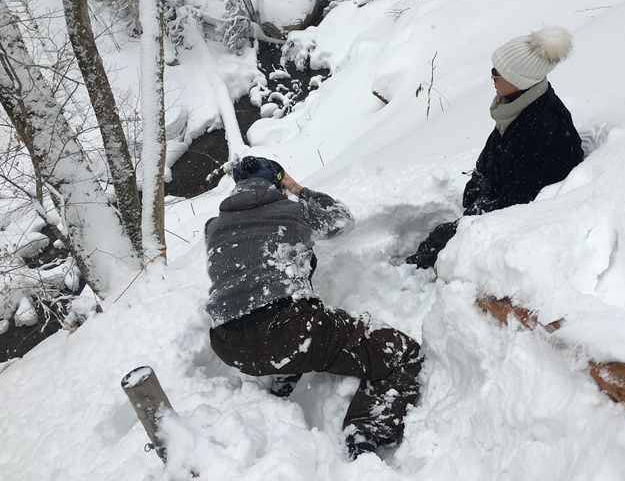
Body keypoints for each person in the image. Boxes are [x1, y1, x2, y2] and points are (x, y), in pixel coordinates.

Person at [205, 156, 423, 459]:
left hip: (228, 345)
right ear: (277, 182)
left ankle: (283, 375)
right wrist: (298, 190)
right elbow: (341, 219)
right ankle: (366, 433)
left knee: (280, 312)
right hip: (289, 331)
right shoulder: (293, 211)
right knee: (402, 354)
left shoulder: (213, 227)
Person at [406, 26, 584, 269]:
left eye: (497, 72)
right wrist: (477, 186)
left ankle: (412, 274)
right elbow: (492, 153)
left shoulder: (545, 128)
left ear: (520, 80)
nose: (492, 76)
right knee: (440, 238)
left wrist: (479, 212)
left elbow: (524, 197)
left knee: (440, 241)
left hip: (516, 225)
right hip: (497, 203)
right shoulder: (517, 106)